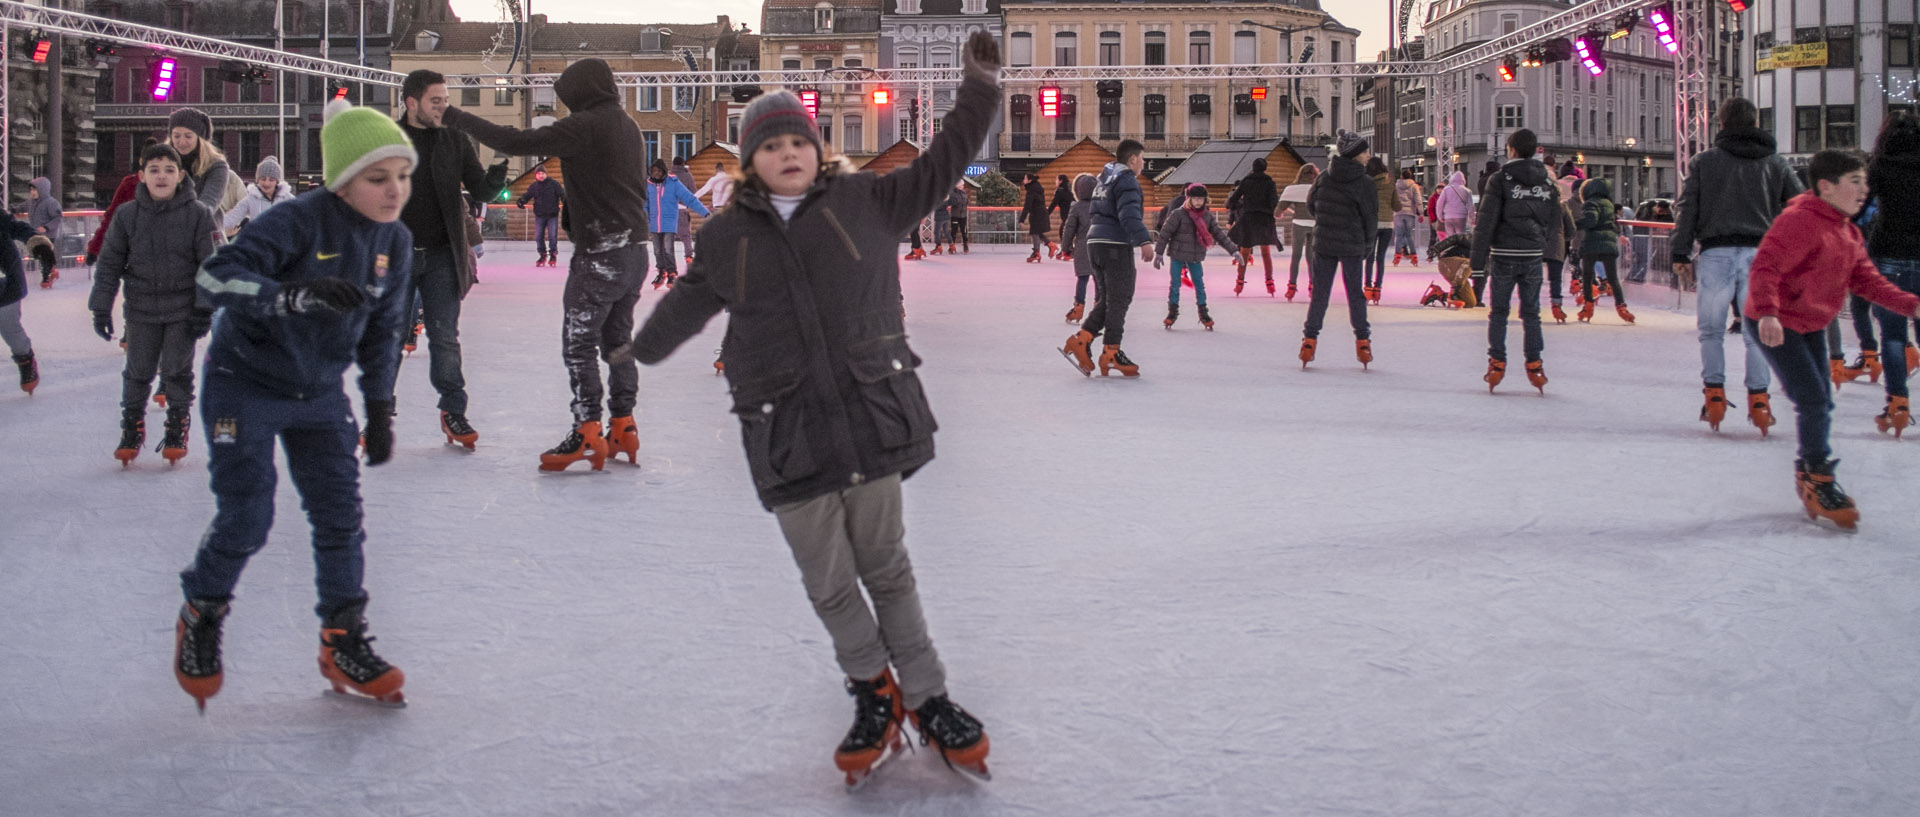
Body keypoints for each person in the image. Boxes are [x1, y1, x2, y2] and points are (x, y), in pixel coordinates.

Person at [612, 30, 1003, 785]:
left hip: (868, 412)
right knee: (828, 581)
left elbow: (947, 158)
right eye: (771, 145)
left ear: (819, 149)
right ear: (750, 161)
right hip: (786, 430)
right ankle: (872, 691)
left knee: (887, 569)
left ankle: (928, 695)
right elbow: (691, 301)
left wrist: (980, 87)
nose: (788, 152)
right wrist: (639, 348)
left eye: (799, 139)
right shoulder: (726, 236)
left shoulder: (869, 200)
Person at [172, 98, 417, 710]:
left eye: (402, 177)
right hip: (244, 381)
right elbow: (215, 279)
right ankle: (201, 611)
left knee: (340, 518)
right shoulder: (298, 220)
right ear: (342, 180)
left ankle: (342, 639)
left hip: (318, 393)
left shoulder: (396, 241)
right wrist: (291, 298)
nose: (394, 191)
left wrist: (380, 406)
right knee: (248, 515)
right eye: (378, 178)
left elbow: (384, 331)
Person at [441, 58, 650, 469]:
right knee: (619, 343)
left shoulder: (586, 125)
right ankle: (623, 425)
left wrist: (454, 115)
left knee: (579, 343)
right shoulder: (627, 126)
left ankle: (588, 430)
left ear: (582, 92)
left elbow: (514, 140)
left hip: (601, 254)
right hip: (634, 251)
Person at [1745, 149, 1920, 530]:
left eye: (1865, 182)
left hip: (1808, 323)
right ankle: (1817, 477)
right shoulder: (1799, 222)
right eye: (1855, 182)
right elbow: (1766, 267)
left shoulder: (1847, 230)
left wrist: (1911, 305)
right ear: (1826, 186)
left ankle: (1812, 470)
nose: (1864, 190)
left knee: (1820, 399)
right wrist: (1769, 312)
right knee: (1814, 399)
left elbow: (1866, 281)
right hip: (1776, 322)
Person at [1671, 97, 1803, 433]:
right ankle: (1759, 400)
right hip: (1762, 255)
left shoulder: (1705, 161)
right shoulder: (1776, 164)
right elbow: (1799, 207)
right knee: (1756, 332)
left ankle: (1714, 395)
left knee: (1712, 331)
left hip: (1716, 253)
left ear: (1723, 123)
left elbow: (1688, 209)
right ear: (1756, 122)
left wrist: (1680, 253)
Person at [395, 69, 509, 450]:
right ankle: (378, 413)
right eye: (436, 101)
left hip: (443, 255)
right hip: (396, 256)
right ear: (412, 103)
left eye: (446, 99)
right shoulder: (389, 140)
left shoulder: (456, 139)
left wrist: (496, 175)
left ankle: (453, 410)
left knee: (444, 337)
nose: (444, 106)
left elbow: (480, 188)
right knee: (390, 338)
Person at [89, 143, 219, 465]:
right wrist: (101, 306)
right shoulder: (127, 216)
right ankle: (132, 427)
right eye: (154, 170)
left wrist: (204, 308)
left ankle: (177, 423)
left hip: (182, 309)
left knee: (176, 370)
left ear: (181, 175)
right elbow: (109, 264)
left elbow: (209, 266)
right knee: (138, 371)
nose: (162, 176)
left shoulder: (198, 215)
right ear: (142, 175)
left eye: (169, 170)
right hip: (141, 309)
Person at [1469, 129, 1558, 394]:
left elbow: (1485, 222)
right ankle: (1534, 363)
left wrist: (1476, 264)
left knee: (1499, 312)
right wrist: (1543, 244)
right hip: (1532, 256)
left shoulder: (1499, 180)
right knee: (1531, 313)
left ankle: (1497, 362)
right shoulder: (1547, 181)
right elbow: (1555, 221)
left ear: (1512, 150)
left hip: (1504, 255)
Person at [1062, 139, 1155, 377]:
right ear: (1132, 159)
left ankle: (1082, 340)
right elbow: (1129, 214)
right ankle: (1111, 352)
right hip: (1115, 245)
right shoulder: (1127, 181)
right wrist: (1144, 240)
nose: (1143, 163)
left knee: (1109, 299)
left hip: (1095, 244)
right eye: (1142, 158)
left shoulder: (1104, 179)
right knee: (1120, 298)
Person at [1298, 130, 1378, 370]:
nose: (1368, 156)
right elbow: (1370, 219)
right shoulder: (1365, 183)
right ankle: (1362, 342)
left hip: (1323, 243)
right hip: (1352, 244)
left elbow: (1312, 205)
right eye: (1364, 151)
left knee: (1320, 294)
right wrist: (1366, 246)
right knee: (1355, 294)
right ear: (1355, 154)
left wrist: (1326, 222)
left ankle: (1309, 341)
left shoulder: (1323, 177)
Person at [1866, 112, 1920, 436]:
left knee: (1894, 335)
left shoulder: (1879, 167)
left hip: (1889, 257)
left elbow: (1860, 205)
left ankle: (1897, 403)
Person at [1154, 183, 1236, 330]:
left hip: (1196, 256)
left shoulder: (1207, 216)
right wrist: (1159, 252)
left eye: (1201, 199)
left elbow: (1219, 234)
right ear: (1189, 198)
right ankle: (1172, 312)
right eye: (1195, 198)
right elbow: (1165, 233)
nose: (1198, 201)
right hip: (1178, 255)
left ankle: (1203, 313)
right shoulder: (1178, 214)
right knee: (1175, 285)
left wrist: (1233, 250)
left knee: (1199, 285)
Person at [1573, 178, 1633, 324]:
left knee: (1587, 276)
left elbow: (1591, 220)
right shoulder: (1609, 204)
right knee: (1612, 278)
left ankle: (1588, 305)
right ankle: (1621, 306)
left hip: (1592, 243)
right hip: (1609, 243)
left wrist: (1574, 224)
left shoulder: (1590, 203)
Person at [644, 158, 711, 286]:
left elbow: (690, 199)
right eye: (653, 171)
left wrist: (705, 213)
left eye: (658, 171)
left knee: (668, 249)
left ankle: (671, 273)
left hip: (669, 222)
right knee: (657, 250)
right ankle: (661, 271)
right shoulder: (649, 185)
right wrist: (642, 220)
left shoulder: (673, 183)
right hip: (654, 223)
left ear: (663, 171)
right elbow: (645, 204)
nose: (656, 173)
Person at [166, 108, 241, 220]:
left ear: (199, 138)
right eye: (176, 136)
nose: (181, 142)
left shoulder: (216, 166)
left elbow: (207, 205)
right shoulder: (161, 163)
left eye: (188, 136)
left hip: (204, 233)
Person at [1226, 157, 1280, 296]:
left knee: (1244, 252)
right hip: (1264, 219)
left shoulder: (1246, 181)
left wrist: (1237, 208)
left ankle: (1239, 282)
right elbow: (1274, 201)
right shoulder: (1269, 182)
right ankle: (1269, 282)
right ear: (1265, 168)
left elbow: (1233, 199)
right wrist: (1273, 212)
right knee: (1266, 252)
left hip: (1249, 218)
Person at [2, 212, 41, 393]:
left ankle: (25, 358)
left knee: (9, 328)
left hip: (4, 284)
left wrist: (37, 242)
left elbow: (16, 227)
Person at [221, 156, 296, 239]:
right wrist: (212, 227)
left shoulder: (288, 199)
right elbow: (233, 216)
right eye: (263, 179)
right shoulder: (251, 199)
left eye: (271, 180)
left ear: (277, 181)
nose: (266, 183)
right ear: (257, 180)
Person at [1058, 172, 1097, 323]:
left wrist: (1065, 247)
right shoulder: (1101, 206)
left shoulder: (1076, 207)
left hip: (1082, 247)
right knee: (1098, 279)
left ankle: (1078, 309)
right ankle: (1098, 309)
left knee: (1082, 279)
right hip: (1099, 247)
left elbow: (1069, 228)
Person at [1541, 167, 1578, 324]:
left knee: (1533, 277)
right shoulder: (1562, 206)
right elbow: (1571, 230)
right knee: (1555, 279)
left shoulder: (1536, 206)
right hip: (1556, 245)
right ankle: (1556, 305)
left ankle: (1531, 304)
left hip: (1537, 244)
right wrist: (1565, 238)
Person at [1278, 163, 1320, 300]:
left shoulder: (1293, 189)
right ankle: (1314, 286)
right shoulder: (1319, 188)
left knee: (1296, 257)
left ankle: (1291, 286)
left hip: (1298, 224)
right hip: (1315, 224)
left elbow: (1278, 210)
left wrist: (1279, 213)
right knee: (1311, 257)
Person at [1361, 156, 1396, 304]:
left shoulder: (1365, 184)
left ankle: (1368, 288)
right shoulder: (1390, 185)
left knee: (1369, 257)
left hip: (1371, 224)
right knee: (1380, 257)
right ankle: (1378, 288)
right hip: (1387, 225)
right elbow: (1397, 206)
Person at [517, 166, 565, 267]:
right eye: (539, 174)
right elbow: (527, 195)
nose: (541, 175)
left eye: (542, 173)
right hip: (540, 215)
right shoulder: (534, 186)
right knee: (539, 237)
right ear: (536, 175)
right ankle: (542, 254)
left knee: (552, 236)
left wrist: (566, 202)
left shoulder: (554, 184)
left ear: (546, 174)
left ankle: (553, 255)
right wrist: (521, 201)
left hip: (552, 215)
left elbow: (562, 194)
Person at [22, 177, 62, 286]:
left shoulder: (51, 202)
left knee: (45, 255)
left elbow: (57, 217)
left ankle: (46, 277)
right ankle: (51, 271)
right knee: (40, 255)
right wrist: (12, 210)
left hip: (48, 235)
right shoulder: (30, 202)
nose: (32, 192)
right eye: (31, 190)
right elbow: (21, 207)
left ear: (42, 190)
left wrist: (47, 227)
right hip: (36, 235)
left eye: (34, 190)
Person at [1018, 172, 1055, 262]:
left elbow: (1027, 205)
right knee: (1037, 233)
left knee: (1035, 232)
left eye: (1025, 179)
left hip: (1037, 214)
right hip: (1040, 213)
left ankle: (1036, 253)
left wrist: (1022, 219)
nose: (1023, 180)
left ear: (1029, 180)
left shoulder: (1031, 190)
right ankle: (1050, 244)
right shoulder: (1037, 188)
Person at [671, 156, 698, 267]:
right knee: (686, 236)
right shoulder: (687, 176)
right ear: (683, 164)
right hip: (682, 210)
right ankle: (688, 257)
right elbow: (693, 192)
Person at [1392, 169, 1423, 265]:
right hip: (1410, 213)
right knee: (1409, 235)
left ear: (1401, 176)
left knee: (1399, 235)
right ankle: (1414, 256)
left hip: (1398, 213)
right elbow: (1418, 200)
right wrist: (1421, 213)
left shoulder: (1396, 186)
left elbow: (1393, 198)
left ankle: (1397, 256)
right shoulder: (1414, 186)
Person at [945, 181, 970, 253]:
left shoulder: (964, 193)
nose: (963, 186)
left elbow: (966, 202)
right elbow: (951, 202)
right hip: (955, 215)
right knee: (954, 230)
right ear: (958, 186)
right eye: (962, 185)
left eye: (963, 185)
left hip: (963, 215)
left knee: (964, 230)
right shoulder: (953, 193)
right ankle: (952, 247)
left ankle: (965, 245)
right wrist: (955, 201)